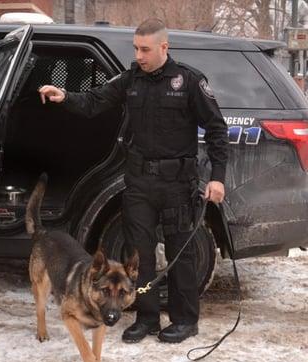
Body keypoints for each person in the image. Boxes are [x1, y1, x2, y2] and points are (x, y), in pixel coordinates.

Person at [38, 18, 228, 344]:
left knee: (180, 253)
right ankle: (148, 317)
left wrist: (218, 178)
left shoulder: (189, 81)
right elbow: (95, 101)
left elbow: (217, 130)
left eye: (145, 49)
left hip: (177, 184)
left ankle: (185, 320)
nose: (139, 55)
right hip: (139, 183)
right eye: (136, 48)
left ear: (164, 48)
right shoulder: (130, 81)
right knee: (139, 255)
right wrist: (65, 96)